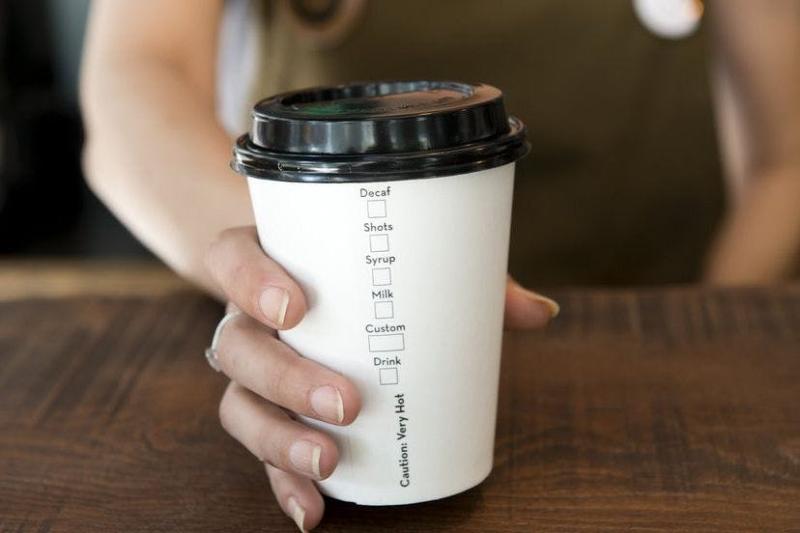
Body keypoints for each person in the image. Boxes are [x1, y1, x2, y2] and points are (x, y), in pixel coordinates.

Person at [80, 1, 800, 530]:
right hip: (346, 324)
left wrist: (702, 330)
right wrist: (269, 276)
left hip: (649, 377)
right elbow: (138, 71)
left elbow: (785, 157)